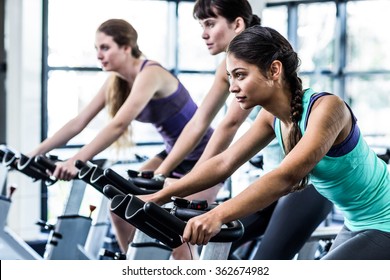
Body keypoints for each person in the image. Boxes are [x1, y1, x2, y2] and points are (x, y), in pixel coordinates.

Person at [145, 25, 390, 260]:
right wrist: (160, 196)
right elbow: (225, 162)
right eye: (230, 77)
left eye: (240, 75)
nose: (232, 87)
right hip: (355, 221)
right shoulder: (272, 117)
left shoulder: (327, 108)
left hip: (385, 222)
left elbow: (286, 177)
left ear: (274, 70)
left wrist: (217, 215)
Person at [150, 0, 332, 260]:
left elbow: (228, 126)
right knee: (213, 246)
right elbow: (200, 122)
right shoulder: (227, 68)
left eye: (210, 24)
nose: (204, 33)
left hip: (303, 182)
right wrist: (164, 174)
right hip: (270, 178)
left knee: (265, 260)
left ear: (237, 24)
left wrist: (188, 184)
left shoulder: (257, 60)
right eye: (202, 25)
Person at [28, 19, 214, 255]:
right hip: (172, 153)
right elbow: (78, 122)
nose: (98, 55)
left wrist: (76, 161)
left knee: (174, 233)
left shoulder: (151, 73)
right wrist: (34, 153)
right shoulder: (117, 81)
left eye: (105, 47)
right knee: (120, 210)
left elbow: (118, 125)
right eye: (96, 49)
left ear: (127, 47)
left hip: (202, 155)